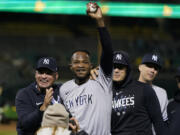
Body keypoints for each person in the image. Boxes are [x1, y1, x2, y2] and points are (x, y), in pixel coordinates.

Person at [59, 2, 113, 135]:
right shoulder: (64, 89)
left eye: (85, 62)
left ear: (91, 66)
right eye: (76, 62)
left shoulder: (102, 80)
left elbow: (108, 51)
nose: (81, 65)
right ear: (71, 67)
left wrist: (100, 21)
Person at [90, 51, 167, 135]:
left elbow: (159, 123)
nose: (116, 70)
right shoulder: (104, 92)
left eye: (120, 67)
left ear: (127, 69)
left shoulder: (145, 89)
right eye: (113, 67)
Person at [15, 57, 62, 135]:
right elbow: (25, 124)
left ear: (56, 76)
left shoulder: (62, 90)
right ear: (36, 74)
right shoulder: (25, 94)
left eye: (48, 73)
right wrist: (44, 106)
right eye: (40, 72)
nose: (44, 76)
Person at [138, 53, 169, 134]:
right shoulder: (128, 89)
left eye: (156, 68)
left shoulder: (162, 93)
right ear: (140, 67)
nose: (152, 70)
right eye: (149, 66)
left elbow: (164, 121)